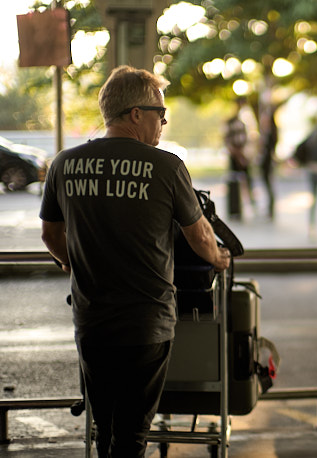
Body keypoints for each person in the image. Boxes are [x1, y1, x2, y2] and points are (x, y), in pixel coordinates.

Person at [40, 65, 231, 458]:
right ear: (135, 114)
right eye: (160, 114)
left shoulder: (64, 164)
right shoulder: (166, 166)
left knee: (105, 427)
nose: (163, 123)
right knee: (131, 436)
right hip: (147, 323)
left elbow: (50, 235)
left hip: (92, 321)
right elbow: (198, 235)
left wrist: (71, 264)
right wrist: (218, 258)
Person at [224, 97, 255, 219]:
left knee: (247, 181)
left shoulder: (245, 122)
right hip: (236, 156)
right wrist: (238, 155)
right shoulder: (231, 122)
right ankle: (235, 210)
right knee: (235, 182)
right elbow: (228, 140)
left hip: (243, 155)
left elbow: (248, 139)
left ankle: (249, 204)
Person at [259, 108, 278, 220]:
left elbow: (267, 150)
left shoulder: (270, 134)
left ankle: (271, 209)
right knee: (267, 185)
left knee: (269, 185)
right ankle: (268, 208)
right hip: (264, 163)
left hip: (268, 163)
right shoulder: (266, 133)